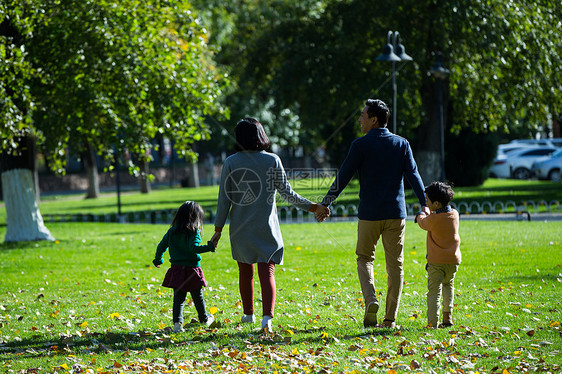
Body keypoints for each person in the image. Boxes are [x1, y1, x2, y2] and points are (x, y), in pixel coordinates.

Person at [212, 118, 330, 331]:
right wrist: (314, 207)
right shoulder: (272, 160)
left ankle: (248, 315)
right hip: (266, 228)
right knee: (267, 272)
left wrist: (218, 230)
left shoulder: (230, 162)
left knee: (245, 271)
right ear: (261, 135)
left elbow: (224, 199)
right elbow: (288, 194)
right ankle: (267, 319)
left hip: (240, 230)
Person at [319, 99, 426, 328]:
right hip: (396, 214)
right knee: (395, 265)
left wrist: (325, 203)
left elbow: (343, 176)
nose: (360, 119)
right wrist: (425, 203)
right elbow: (413, 175)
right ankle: (389, 319)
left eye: (363, 115)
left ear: (374, 119)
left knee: (364, 259)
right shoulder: (401, 144)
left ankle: (370, 300)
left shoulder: (360, 145)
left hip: (369, 214)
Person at [153, 201, 218, 332]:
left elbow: (161, 245)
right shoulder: (193, 232)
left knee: (179, 298)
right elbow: (193, 248)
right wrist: (210, 247)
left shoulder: (172, 231)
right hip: (192, 270)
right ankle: (204, 319)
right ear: (196, 218)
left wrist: (158, 259)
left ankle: (177, 324)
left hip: (177, 269)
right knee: (197, 297)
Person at [415, 182, 461, 328]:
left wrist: (420, 215)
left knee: (434, 291)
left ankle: (432, 323)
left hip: (436, 262)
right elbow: (437, 219)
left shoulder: (433, 219)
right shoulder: (454, 214)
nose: (426, 203)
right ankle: (447, 317)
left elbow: (423, 223)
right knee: (448, 285)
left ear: (436, 203)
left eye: (428, 201)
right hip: (452, 260)